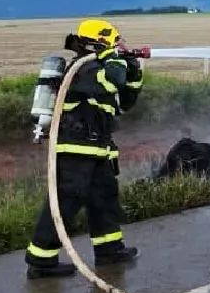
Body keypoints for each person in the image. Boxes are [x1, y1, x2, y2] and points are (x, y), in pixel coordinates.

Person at [24, 19, 144, 279]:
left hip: (98, 148)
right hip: (75, 148)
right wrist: (115, 60)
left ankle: (109, 250)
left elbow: (124, 102)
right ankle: (41, 262)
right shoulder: (84, 69)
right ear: (99, 43)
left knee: (103, 198)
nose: (120, 45)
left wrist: (134, 71)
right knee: (66, 202)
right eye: (114, 42)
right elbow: (110, 82)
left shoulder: (100, 68)